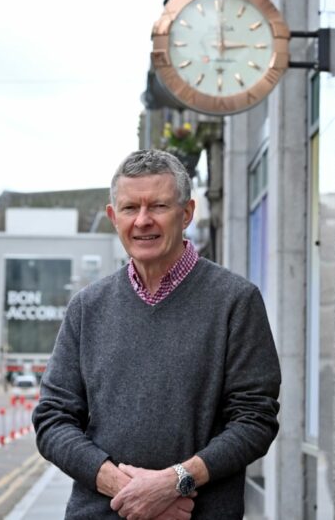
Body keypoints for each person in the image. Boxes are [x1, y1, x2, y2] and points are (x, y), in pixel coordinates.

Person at [33, 149, 281, 519]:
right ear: (114, 217)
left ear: (187, 213)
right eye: (131, 208)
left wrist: (176, 482)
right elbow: (53, 419)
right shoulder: (87, 307)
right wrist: (129, 492)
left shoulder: (236, 302)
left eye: (159, 206)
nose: (143, 221)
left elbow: (254, 420)